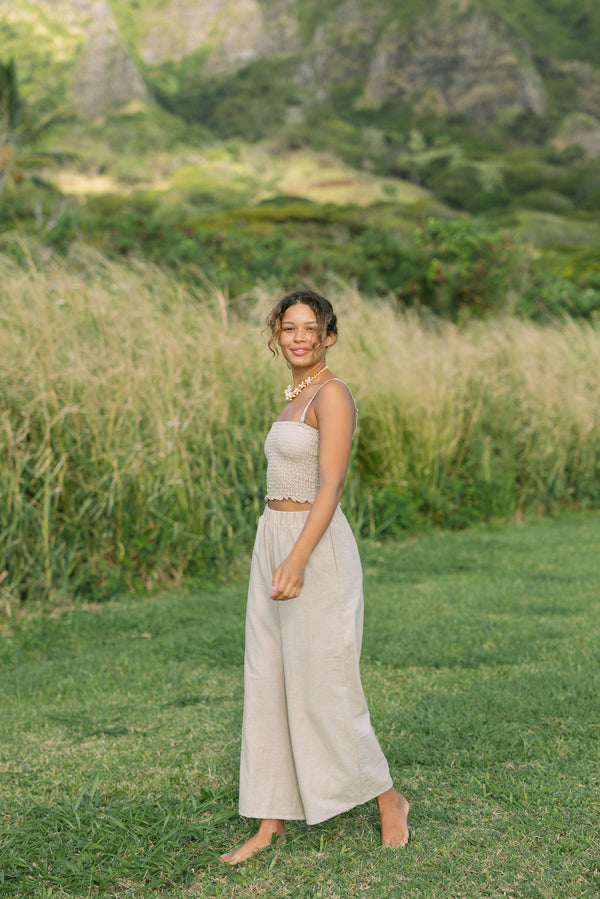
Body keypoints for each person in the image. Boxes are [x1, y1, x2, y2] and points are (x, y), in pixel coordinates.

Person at [220, 289, 409, 865]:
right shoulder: (291, 396)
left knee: (325, 679)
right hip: (271, 536)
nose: (298, 337)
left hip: (314, 545)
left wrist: (298, 558)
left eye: (310, 328)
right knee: (269, 677)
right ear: (277, 336)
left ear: (329, 335)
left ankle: (388, 799)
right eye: (288, 328)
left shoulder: (332, 395)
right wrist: (276, 549)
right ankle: (270, 820)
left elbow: (330, 486)